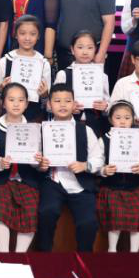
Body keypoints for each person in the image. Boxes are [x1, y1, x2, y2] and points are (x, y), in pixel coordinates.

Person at [35, 83, 102, 252]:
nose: (63, 105)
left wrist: (85, 165)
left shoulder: (85, 130)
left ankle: (84, 260)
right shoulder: (42, 130)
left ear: (74, 104)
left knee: (88, 223)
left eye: (67, 101)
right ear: (49, 105)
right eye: (57, 101)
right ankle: (44, 257)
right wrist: (40, 165)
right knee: (46, 212)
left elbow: (98, 158)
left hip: (80, 184)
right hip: (53, 181)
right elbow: (35, 159)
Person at [0, 83, 42, 253]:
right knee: (1, 211)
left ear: (27, 104)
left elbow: (39, 164)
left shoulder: (34, 129)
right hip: (1, 179)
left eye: (21, 100)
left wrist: (37, 160)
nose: (16, 104)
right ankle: (4, 254)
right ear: (3, 103)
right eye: (11, 100)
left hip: (26, 179)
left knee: (30, 211)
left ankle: (20, 255)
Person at [98, 101, 139, 253]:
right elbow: (96, 162)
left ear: (133, 120)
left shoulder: (138, 139)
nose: (122, 122)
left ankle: (134, 252)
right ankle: (112, 250)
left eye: (127, 118)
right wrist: (104, 169)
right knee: (115, 213)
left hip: (133, 187)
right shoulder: (104, 139)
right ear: (110, 119)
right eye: (118, 118)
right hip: (112, 187)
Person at [53, 30, 111, 137]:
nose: (85, 52)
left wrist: (106, 106)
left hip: (95, 125)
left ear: (95, 50)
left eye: (90, 48)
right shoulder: (63, 74)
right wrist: (68, 108)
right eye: (80, 47)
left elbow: (108, 106)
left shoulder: (102, 76)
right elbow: (52, 104)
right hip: (68, 124)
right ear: (72, 49)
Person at [0, 15, 51, 122]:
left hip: (34, 117)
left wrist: (44, 94)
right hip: (8, 118)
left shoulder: (43, 63)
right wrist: (1, 88)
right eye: (22, 33)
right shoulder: (5, 61)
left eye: (32, 34)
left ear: (38, 36)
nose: (27, 38)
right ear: (16, 34)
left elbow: (46, 103)